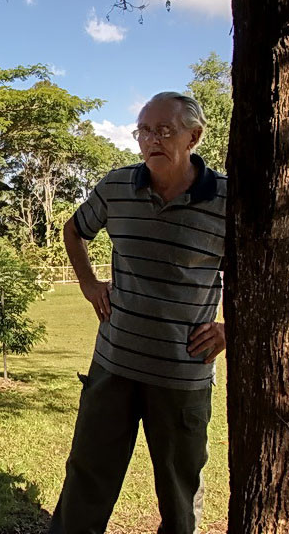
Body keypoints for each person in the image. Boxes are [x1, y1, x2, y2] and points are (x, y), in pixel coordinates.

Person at [49, 92, 227, 534]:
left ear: (194, 136)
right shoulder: (117, 186)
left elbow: (265, 272)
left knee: (179, 492)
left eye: (164, 130)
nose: (152, 140)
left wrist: (232, 329)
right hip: (114, 364)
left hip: (183, 374)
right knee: (87, 479)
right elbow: (74, 230)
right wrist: (90, 284)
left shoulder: (227, 200)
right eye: (143, 131)